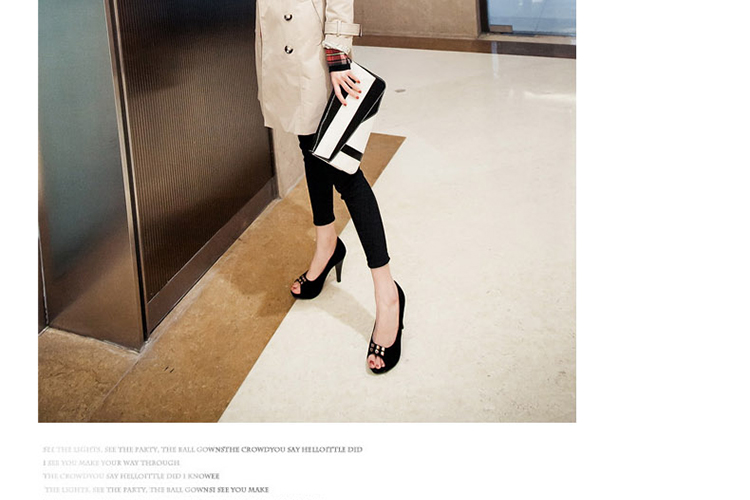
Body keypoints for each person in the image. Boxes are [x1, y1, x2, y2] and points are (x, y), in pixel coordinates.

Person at [254, 0, 406, 374]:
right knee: (310, 147)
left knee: (343, 170)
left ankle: (388, 294)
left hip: (314, 46)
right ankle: (327, 245)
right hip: (281, 39)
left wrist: (338, 53)